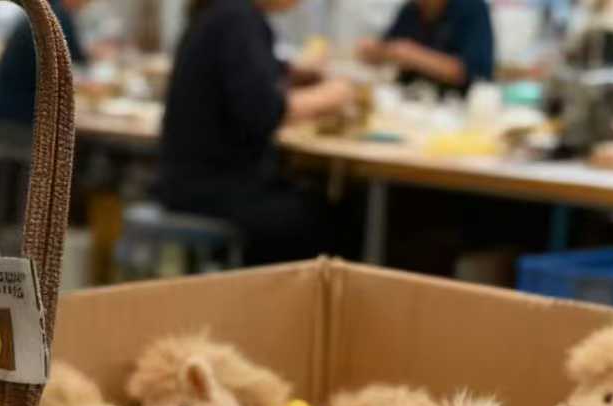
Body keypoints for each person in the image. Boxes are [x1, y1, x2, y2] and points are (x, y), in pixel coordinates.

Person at [159, 0, 357, 267]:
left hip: (188, 183)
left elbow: (251, 76)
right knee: (329, 218)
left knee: (311, 202)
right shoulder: (239, 19)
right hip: (211, 189)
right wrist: (330, 96)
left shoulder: (221, 12)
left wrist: (292, 73)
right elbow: (263, 111)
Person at [0, 0, 89, 135]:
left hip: (4, 117)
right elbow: (79, 63)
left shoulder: (43, 12)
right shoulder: (56, 18)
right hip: (19, 125)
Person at [357, 0, 495, 92]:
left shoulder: (472, 8)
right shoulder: (411, 9)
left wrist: (413, 55)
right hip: (411, 101)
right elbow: (386, 49)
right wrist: (374, 51)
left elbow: (470, 71)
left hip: (457, 109)